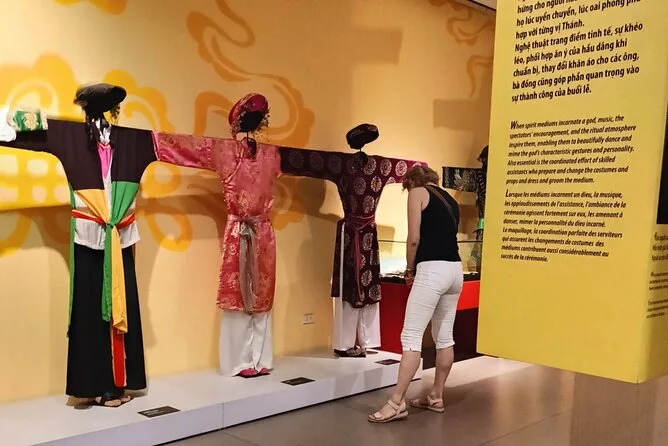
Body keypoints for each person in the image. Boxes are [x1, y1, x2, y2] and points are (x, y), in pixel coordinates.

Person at [368, 165, 462, 423]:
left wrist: (409, 268)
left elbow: (414, 237)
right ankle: (436, 396)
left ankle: (396, 402)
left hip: (431, 269)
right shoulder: (451, 200)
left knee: (411, 337)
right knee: (445, 337)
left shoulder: (417, 192)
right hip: (455, 270)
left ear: (410, 181)